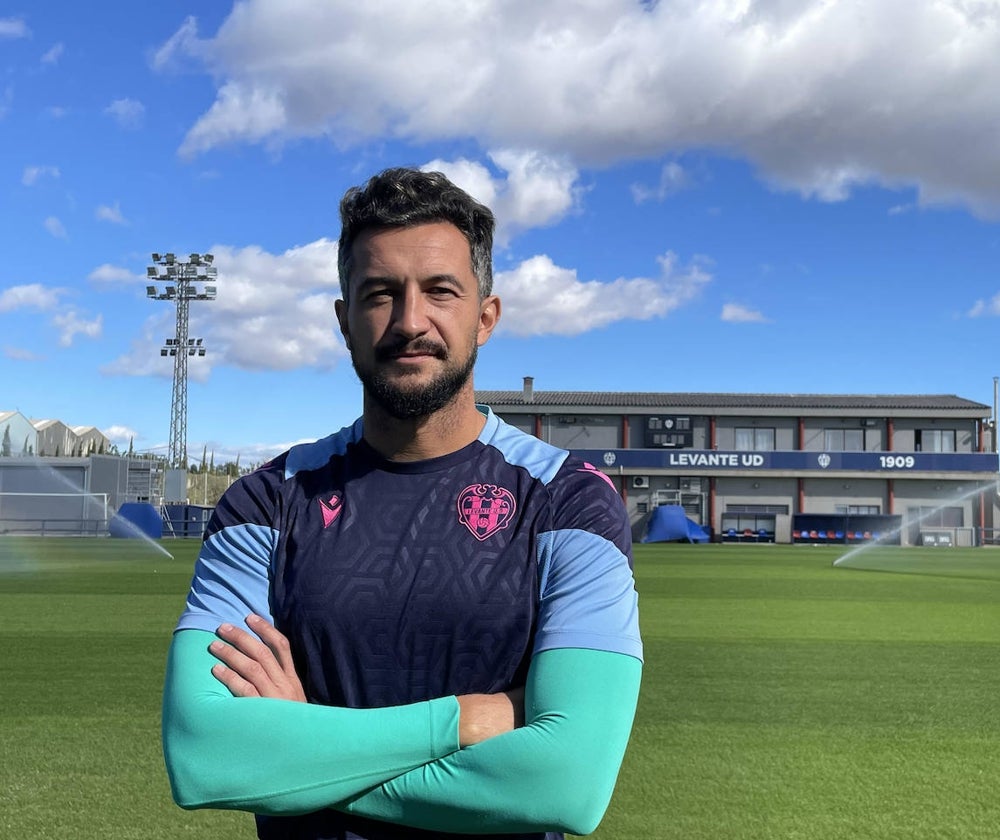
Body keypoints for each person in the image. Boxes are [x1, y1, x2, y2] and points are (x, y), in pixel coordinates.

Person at [161, 167, 643, 840]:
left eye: (440, 291)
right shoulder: (263, 504)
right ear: (344, 320)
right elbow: (206, 756)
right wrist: (463, 721)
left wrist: (298, 758)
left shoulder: (570, 502)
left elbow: (566, 783)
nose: (410, 321)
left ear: (486, 315)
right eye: (380, 294)